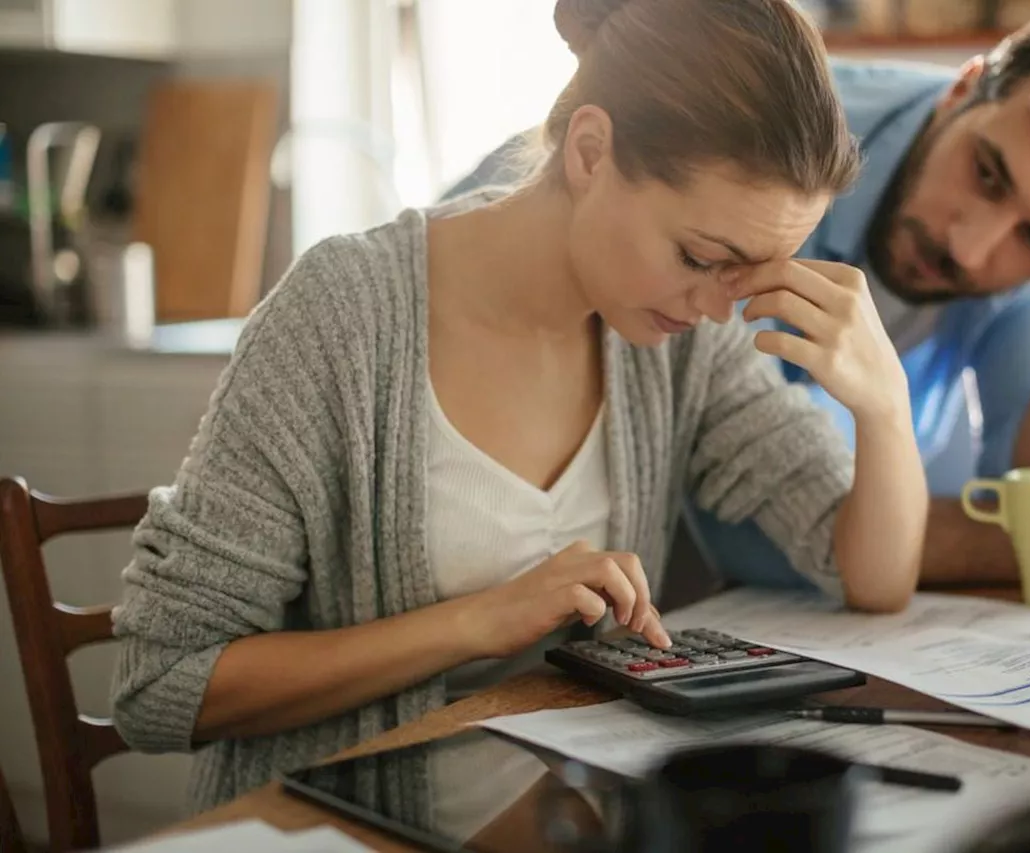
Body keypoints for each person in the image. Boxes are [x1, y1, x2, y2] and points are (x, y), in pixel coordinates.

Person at [109, 0, 928, 827]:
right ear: (589, 151)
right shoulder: (342, 318)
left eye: (747, 275)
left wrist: (884, 408)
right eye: (702, 258)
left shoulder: (676, 339)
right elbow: (161, 683)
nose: (720, 308)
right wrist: (475, 621)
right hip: (346, 829)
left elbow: (871, 575)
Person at [451, 0, 1030, 592]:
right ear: (962, 89)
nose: (973, 247)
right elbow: (763, 536)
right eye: (986, 173)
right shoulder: (771, 171)